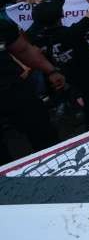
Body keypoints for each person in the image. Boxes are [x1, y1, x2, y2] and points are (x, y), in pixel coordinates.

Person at [30, 0, 89, 128]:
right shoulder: (74, 32)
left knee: (81, 101)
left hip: (66, 76)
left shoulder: (37, 36)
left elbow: (40, 14)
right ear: (63, 14)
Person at [0, 17, 65, 165]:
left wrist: (51, 71)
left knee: (45, 135)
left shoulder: (2, 23)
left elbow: (23, 49)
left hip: (13, 89)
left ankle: (58, 167)